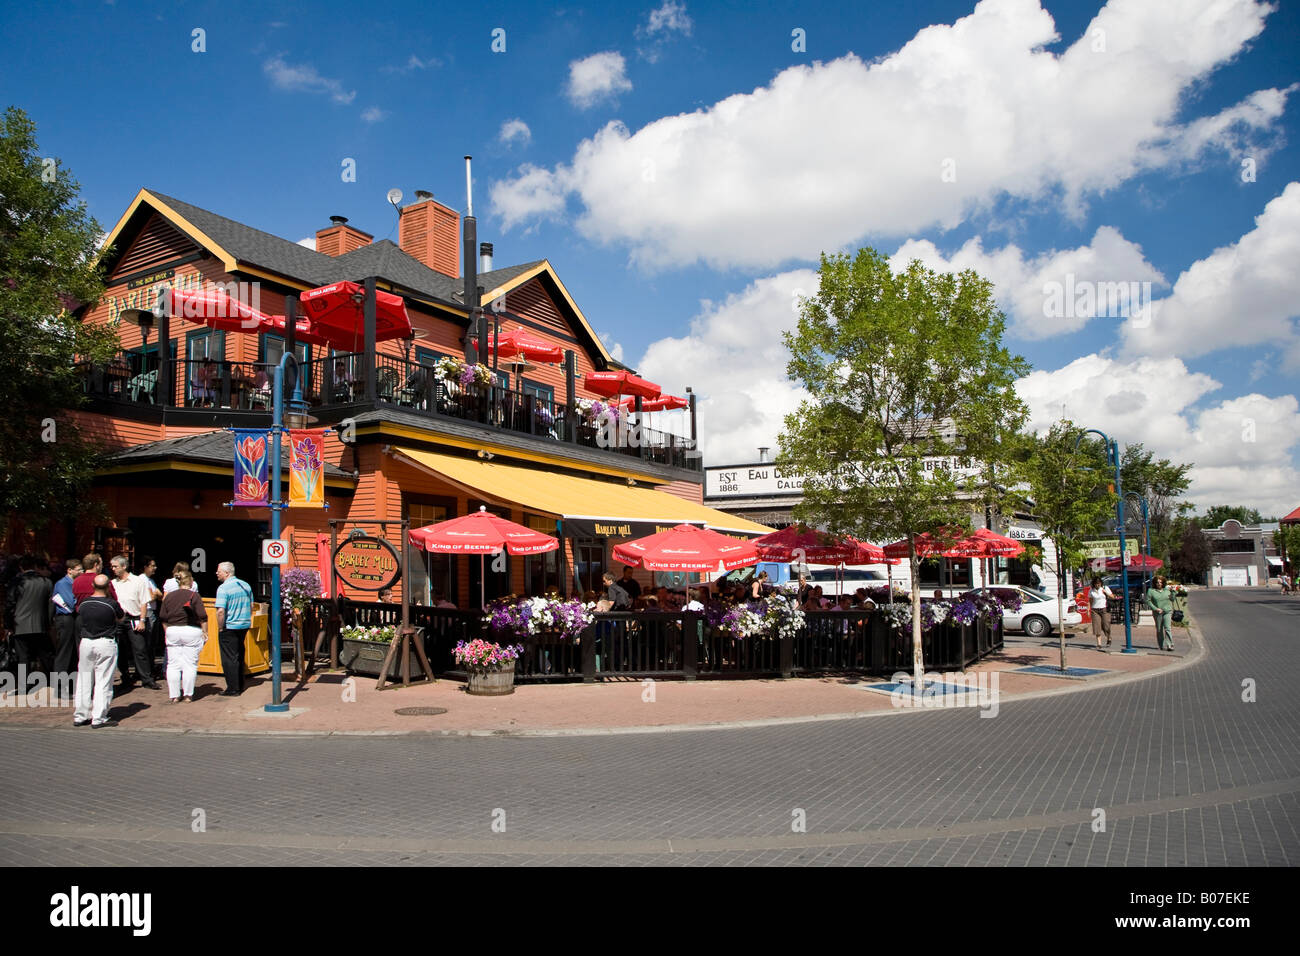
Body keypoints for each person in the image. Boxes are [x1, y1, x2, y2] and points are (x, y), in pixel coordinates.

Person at [73, 574, 123, 727]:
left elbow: (80, 617)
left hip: (86, 642)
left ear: (93, 586)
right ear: (108, 587)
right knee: (104, 681)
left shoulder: (84, 604)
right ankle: (98, 717)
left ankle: (80, 716)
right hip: (105, 642)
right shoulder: (111, 604)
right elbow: (120, 618)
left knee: (84, 679)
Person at [109, 554, 158, 690]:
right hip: (119, 619)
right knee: (121, 650)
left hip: (134, 618)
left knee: (140, 649)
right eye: (112, 566)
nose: (113, 569)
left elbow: (144, 601)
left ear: (124, 566)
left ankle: (146, 679)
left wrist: (142, 620)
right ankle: (125, 677)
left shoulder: (137, 581)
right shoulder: (113, 583)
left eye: (115, 566)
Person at [160, 570, 207, 702]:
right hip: (191, 630)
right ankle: (188, 695)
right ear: (191, 582)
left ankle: (174, 695)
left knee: (173, 664)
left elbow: (163, 617)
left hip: (172, 630)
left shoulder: (169, 596)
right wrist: (205, 632)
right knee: (190, 664)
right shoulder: (194, 595)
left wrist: (167, 632)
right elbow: (202, 616)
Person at [5, 555, 53, 676]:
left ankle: (23, 686)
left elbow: (10, 604)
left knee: (23, 657)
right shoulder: (46, 582)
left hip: (20, 624)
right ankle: (56, 681)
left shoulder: (17, 582)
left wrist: (8, 625)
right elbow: (51, 605)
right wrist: (48, 622)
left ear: (21, 567)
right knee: (46, 655)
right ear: (35, 566)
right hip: (40, 624)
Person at [214, 561, 253, 696]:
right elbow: (251, 605)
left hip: (229, 625)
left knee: (229, 658)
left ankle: (233, 688)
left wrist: (220, 627)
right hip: (244, 624)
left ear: (227, 573)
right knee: (239, 654)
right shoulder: (246, 585)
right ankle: (240, 684)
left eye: (219, 571)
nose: (216, 573)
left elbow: (220, 611)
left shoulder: (223, 588)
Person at [50, 557, 82, 692]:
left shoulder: (73, 583)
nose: (81, 572)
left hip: (72, 618)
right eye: (79, 570)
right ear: (69, 570)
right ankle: (59, 687)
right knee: (64, 651)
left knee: (74, 652)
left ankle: (70, 685)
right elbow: (71, 602)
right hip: (65, 619)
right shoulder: (63, 584)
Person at [1145, 576, 1176, 651]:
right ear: (1155, 583)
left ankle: (1170, 645)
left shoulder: (1167, 590)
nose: (1159, 584)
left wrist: (1173, 592)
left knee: (1167, 628)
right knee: (1159, 629)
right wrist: (1155, 609)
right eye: (1157, 582)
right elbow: (1148, 601)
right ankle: (1161, 645)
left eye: (1161, 582)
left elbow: (1172, 599)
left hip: (1167, 611)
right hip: (1157, 612)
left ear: (1163, 583)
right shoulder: (1151, 591)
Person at [1089, 575, 1116, 649]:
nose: (1098, 585)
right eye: (1096, 583)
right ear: (1093, 584)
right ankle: (1099, 644)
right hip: (1095, 610)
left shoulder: (1105, 588)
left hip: (1104, 609)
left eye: (1099, 583)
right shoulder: (1091, 590)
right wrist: (1089, 609)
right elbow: (1090, 600)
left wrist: (1105, 592)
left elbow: (1113, 596)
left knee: (1106, 625)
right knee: (1097, 626)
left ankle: (1109, 638)